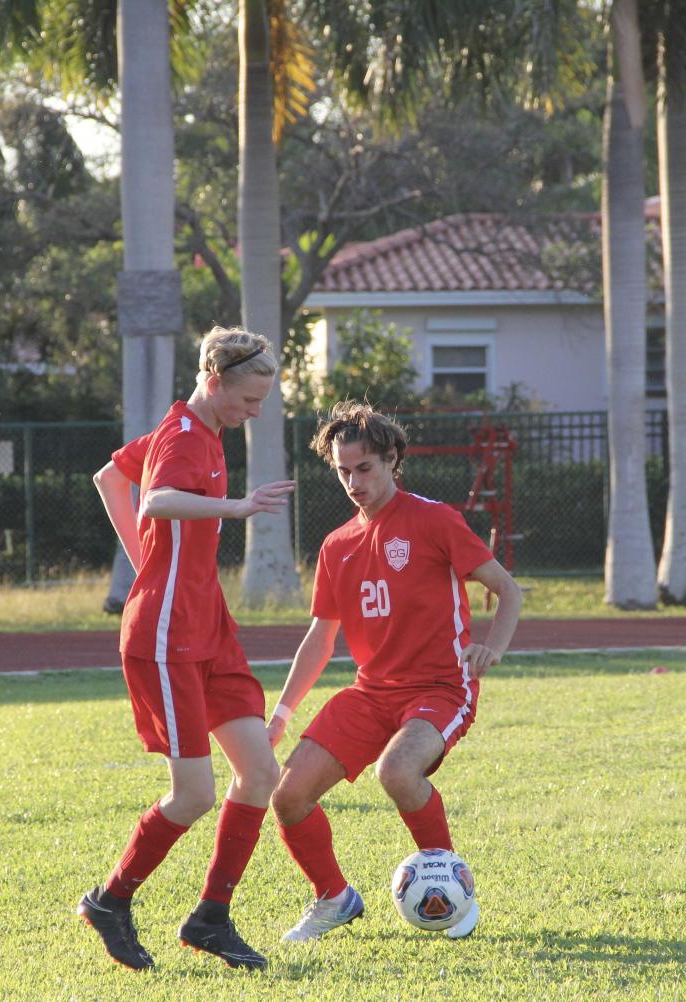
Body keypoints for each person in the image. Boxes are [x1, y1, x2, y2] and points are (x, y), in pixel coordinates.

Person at [80, 326, 295, 972]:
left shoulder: (199, 430)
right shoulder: (181, 436)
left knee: (259, 773)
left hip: (210, 628)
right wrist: (235, 508)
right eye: (248, 400)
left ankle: (210, 918)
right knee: (194, 794)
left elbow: (109, 477)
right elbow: (160, 498)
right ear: (213, 380)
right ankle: (109, 900)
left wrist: (143, 560)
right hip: (167, 636)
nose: (254, 413)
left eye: (261, 402)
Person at [266, 401, 522, 942]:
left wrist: (492, 648)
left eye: (364, 468)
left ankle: (453, 887)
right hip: (371, 694)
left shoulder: (434, 520)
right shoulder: (337, 546)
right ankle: (334, 898)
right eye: (343, 471)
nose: (353, 482)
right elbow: (320, 637)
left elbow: (507, 589)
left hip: (440, 689)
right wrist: (282, 713)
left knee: (397, 772)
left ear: (391, 460)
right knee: (288, 796)